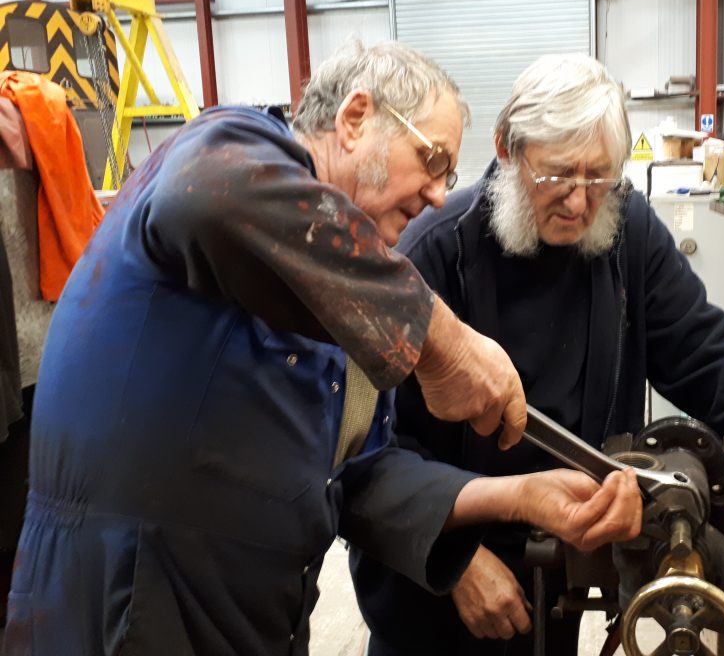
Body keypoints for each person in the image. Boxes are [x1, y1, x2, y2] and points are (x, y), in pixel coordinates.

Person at [1, 42, 644, 656]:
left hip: (250, 621)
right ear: (355, 117)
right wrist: (442, 342)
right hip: (125, 611)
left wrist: (519, 495)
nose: (441, 194)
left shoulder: (341, 302)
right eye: (432, 160)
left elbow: (360, 477)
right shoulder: (227, 147)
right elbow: (205, 194)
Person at [350, 53, 724, 656]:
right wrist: (456, 562)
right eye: (558, 176)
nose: (581, 204)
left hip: (562, 573)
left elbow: (710, 358)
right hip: (436, 592)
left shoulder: (625, 231)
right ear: (505, 149)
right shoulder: (428, 257)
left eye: (600, 178)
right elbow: (370, 461)